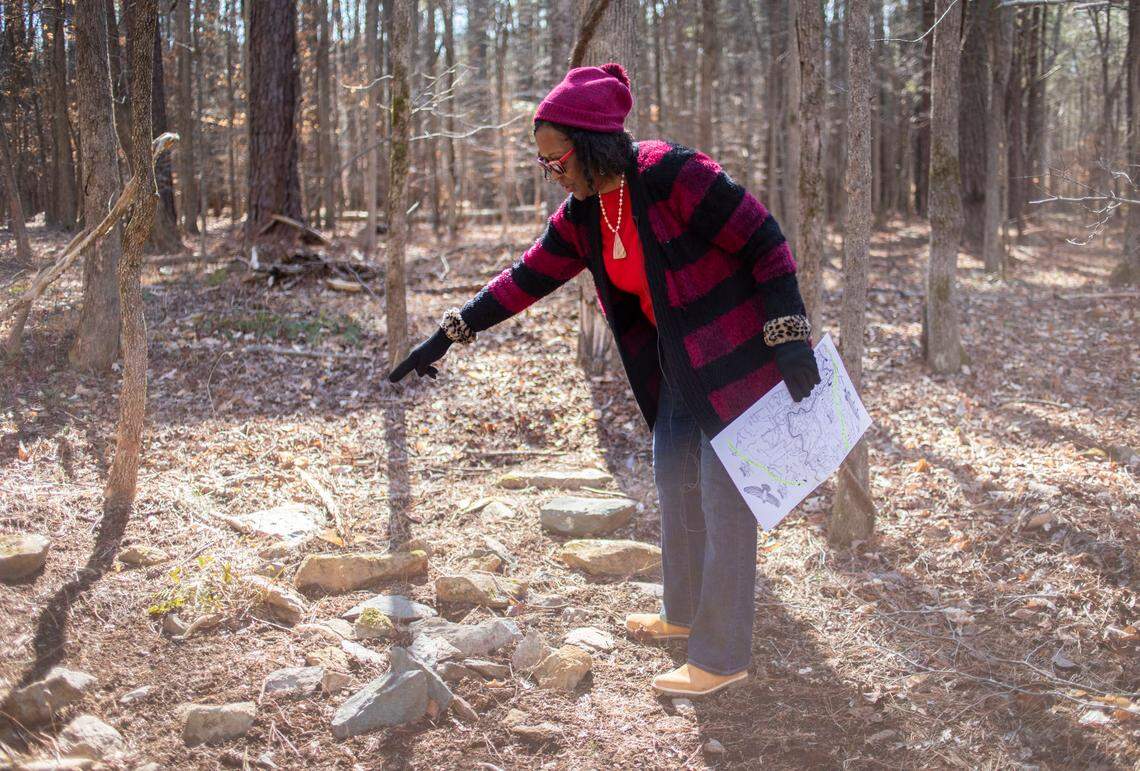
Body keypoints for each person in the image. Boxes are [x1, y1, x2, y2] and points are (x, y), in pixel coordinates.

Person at [389, 62, 820, 698]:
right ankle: (685, 615)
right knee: (674, 478)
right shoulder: (583, 214)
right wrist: (448, 335)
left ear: (591, 145)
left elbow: (765, 240)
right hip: (679, 365)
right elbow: (527, 276)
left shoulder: (675, 173)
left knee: (726, 503)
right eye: (544, 162)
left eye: (556, 159)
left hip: (741, 360)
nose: (552, 172)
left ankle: (723, 657)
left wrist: (788, 335)